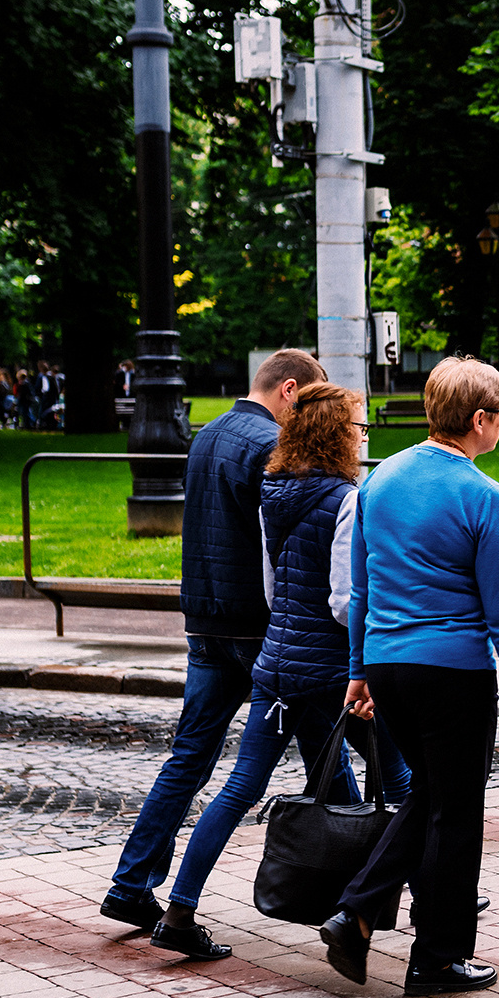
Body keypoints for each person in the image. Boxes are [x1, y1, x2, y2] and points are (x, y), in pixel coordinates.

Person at [316, 359, 499, 995]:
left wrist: (359, 671)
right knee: (456, 812)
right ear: (479, 420)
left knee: (434, 796)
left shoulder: (380, 480)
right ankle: (435, 956)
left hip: (390, 668)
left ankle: (360, 914)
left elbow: (362, 587)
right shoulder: (485, 497)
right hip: (452, 672)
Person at [148, 383, 404, 961]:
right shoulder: (346, 499)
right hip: (327, 672)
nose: (365, 436)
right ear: (338, 433)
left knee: (241, 787)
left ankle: (180, 910)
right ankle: (411, 896)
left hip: (276, 665)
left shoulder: (274, 487)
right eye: (359, 427)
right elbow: (345, 600)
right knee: (399, 773)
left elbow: (270, 586)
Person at [100, 350, 329, 931]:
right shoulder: (269, 445)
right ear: (289, 391)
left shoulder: (206, 435)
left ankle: (131, 884)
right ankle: (365, 889)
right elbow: (286, 540)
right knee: (327, 755)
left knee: (189, 758)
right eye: (307, 405)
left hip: (205, 620)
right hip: (261, 627)